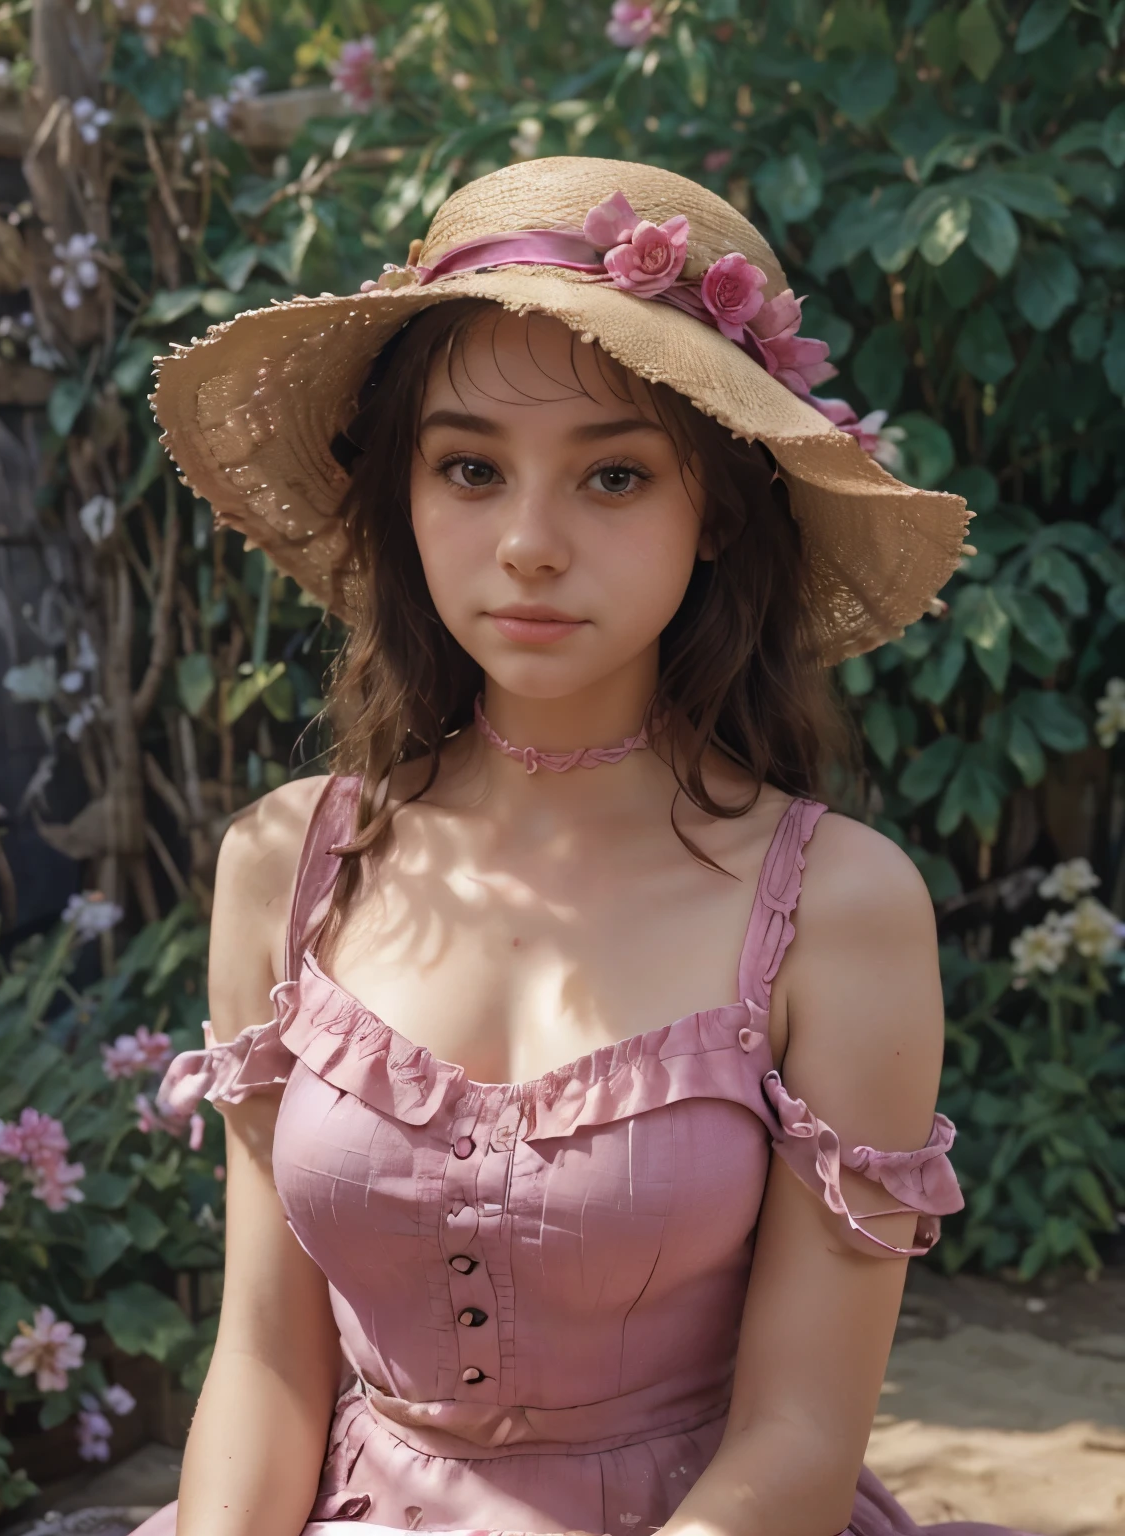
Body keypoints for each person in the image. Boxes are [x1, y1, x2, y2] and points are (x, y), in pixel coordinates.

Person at [137, 158, 1030, 1536]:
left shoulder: (838, 908)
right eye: (471, 468)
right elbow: (263, 1360)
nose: (530, 544)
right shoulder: (287, 867)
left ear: (716, 512)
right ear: (406, 493)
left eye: (614, 474)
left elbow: (798, 1433)